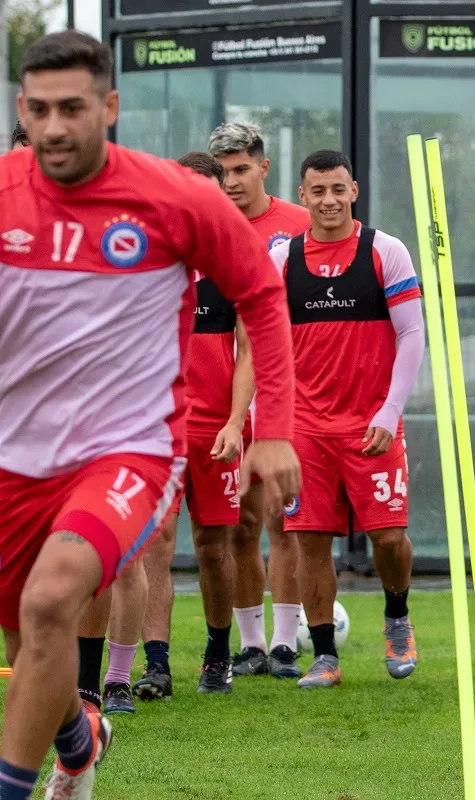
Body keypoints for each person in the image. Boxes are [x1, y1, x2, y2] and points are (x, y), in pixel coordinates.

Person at [0, 30, 300, 800]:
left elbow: (262, 299)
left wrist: (274, 432)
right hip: (17, 454)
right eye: (37, 110)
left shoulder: (176, 196)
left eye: (72, 107)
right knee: (31, 631)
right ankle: (79, 737)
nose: (55, 127)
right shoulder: (3, 191)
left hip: (130, 449)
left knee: (48, 599)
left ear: (110, 107)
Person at [268, 149, 424, 689]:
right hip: (305, 430)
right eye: (318, 191)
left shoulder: (385, 251)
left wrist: (390, 409)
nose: (329, 200)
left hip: (373, 424)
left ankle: (397, 618)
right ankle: (326, 658)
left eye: (339, 189)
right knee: (309, 540)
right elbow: (263, 342)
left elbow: (411, 334)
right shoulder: (283, 260)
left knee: (389, 537)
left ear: (354, 190)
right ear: (303, 195)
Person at [123, 151, 255, 700]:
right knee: (153, 545)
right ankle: (156, 666)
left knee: (213, 548)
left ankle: (219, 655)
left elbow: (248, 349)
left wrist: (233, 420)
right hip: (157, 429)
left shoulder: (235, 258)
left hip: (216, 432)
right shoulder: (149, 260)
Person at [209, 122, 311, 678]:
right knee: (239, 526)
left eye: (241, 170)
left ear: (263, 168)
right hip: (222, 399)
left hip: (280, 397)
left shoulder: (297, 227)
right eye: (222, 172)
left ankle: (285, 642)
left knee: (284, 522)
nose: (231, 183)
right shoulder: (205, 227)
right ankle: (249, 645)